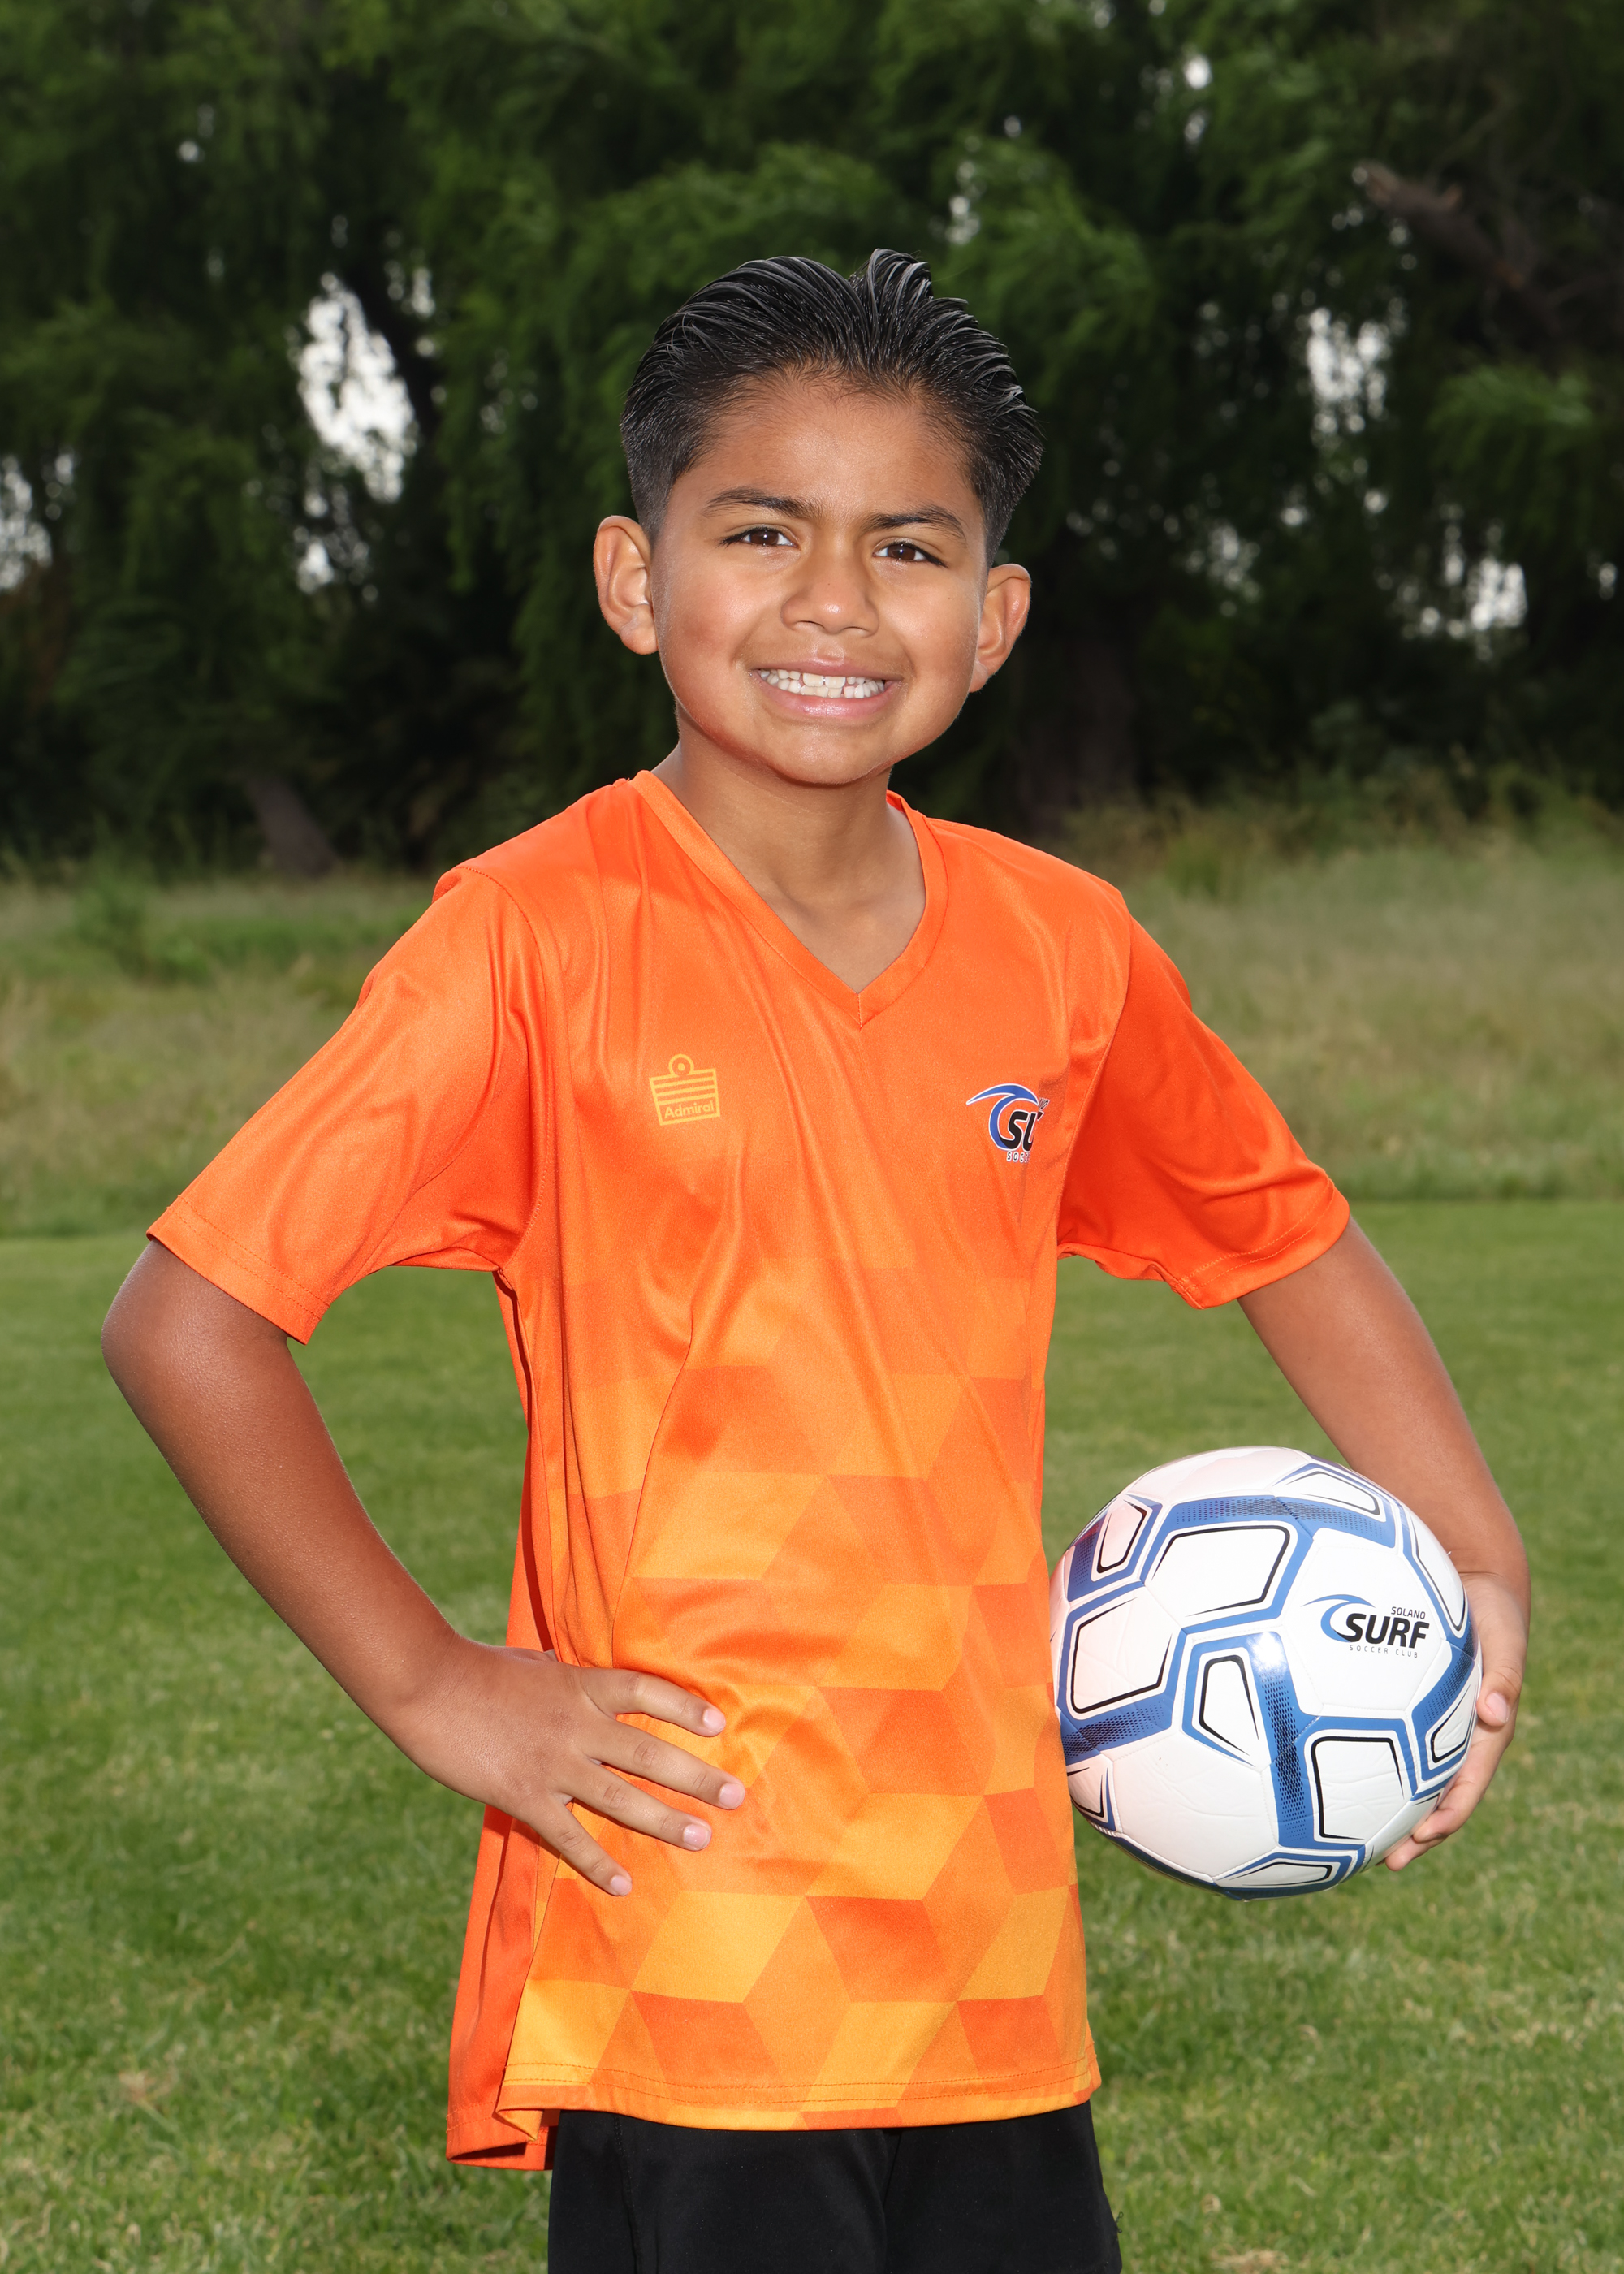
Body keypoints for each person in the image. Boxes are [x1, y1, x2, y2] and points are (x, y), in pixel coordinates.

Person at [102, 251, 1529, 2274]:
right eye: (762, 531)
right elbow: (190, 1317)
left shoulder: (1064, 949)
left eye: (909, 546)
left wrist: (1476, 1556)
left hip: (989, 1952)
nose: (836, 601)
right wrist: (434, 1683)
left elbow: (1283, 1228)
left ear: (993, 617)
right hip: (692, 1943)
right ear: (635, 577)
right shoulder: (532, 936)